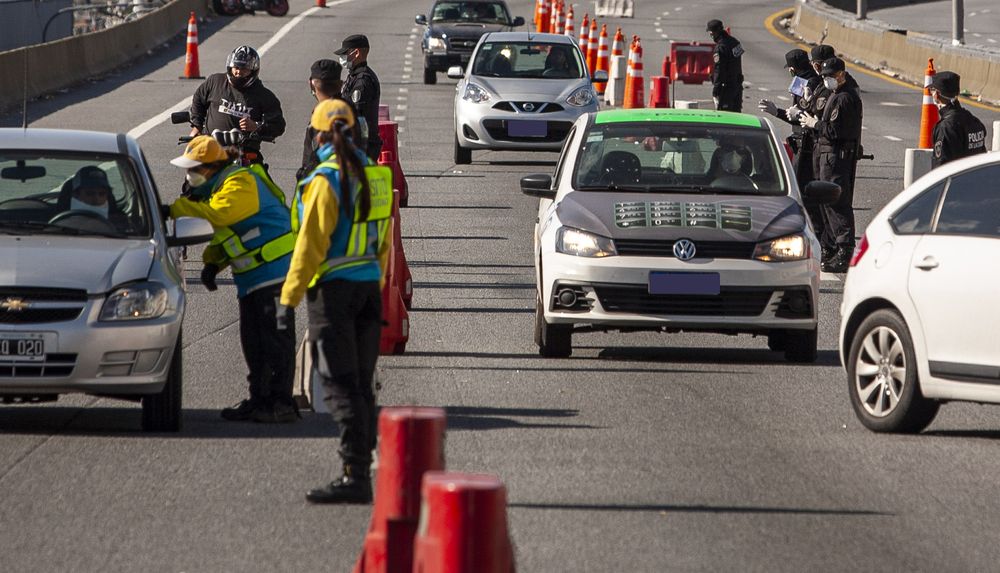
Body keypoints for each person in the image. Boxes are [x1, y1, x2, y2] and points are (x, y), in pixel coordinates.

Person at [280, 99, 393, 504]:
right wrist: (374, 281)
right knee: (362, 384)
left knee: (340, 384)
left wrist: (288, 298)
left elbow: (309, 246)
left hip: (333, 291)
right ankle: (363, 467)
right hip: (368, 290)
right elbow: (382, 242)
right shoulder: (375, 176)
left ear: (319, 136)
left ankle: (354, 475)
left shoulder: (324, 182)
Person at [169, 135, 298, 423]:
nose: (189, 175)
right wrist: (213, 264)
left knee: (275, 342)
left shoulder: (239, 182)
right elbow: (232, 235)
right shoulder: (218, 188)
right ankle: (260, 399)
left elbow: (221, 216)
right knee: (253, 343)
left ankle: (281, 403)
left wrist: (174, 209)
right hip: (252, 278)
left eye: (194, 169)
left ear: (211, 167)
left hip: (275, 274)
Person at [798, 57, 863, 273]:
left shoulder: (844, 98)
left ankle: (844, 249)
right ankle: (832, 246)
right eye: (825, 77)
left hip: (835, 157)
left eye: (831, 77)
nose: (827, 81)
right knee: (825, 202)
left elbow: (837, 131)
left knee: (836, 203)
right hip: (825, 155)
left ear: (841, 75)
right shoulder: (835, 95)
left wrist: (815, 124)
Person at [758, 49, 825, 244]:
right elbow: (794, 116)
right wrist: (778, 111)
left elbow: (801, 115)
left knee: (803, 191)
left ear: (793, 68)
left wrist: (784, 113)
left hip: (808, 143)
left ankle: (816, 233)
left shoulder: (808, 83)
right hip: (802, 142)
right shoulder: (805, 81)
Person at [188, 45, 286, 165]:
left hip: (245, 154)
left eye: (244, 69)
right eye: (236, 67)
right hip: (211, 147)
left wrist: (256, 126)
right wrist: (196, 126)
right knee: (192, 181)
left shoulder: (264, 95)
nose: (239, 72)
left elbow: (278, 125)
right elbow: (198, 99)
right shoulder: (215, 82)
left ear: (253, 71)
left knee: (262, 181)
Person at [297, 59, 345, 183]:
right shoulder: (351, 111)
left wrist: (304, 176)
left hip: (323, 185)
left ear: (311, 84)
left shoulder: (322, 116)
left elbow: (317, 156)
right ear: (340, 84)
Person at [336, 35, 383, 161]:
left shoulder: (362, 81)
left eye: (345, 54)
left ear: (356, 53)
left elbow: (358, 115)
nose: (342, 58)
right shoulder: (354, 76)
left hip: (362, 146)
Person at [929, 71, 988, 168]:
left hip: (957, 182)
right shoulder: (974, 121)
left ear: (937, 94)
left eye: (931, 90)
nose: (931, 93)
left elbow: (940, 168)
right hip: (977, 180)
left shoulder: (945, 127)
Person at [707, 19, 744, 112]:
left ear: (715, 32)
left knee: (725, 117)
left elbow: (719, 70)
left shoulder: (720, 48)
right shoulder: (735, 42)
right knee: (737, 116)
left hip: (726, 89)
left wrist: (716, 90)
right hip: (737, 86)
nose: (710, 36)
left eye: (711, 33)